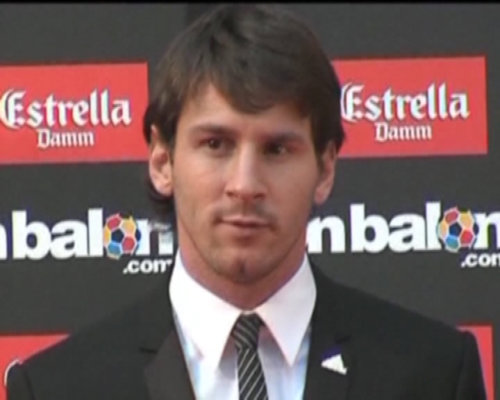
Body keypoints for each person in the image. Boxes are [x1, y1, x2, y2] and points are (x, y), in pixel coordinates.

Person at [7, 4, 486, 400]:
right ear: (162, 160)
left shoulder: (434, 374)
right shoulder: (57, 387)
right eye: (216, 144)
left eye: (277, 149)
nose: (245, 184)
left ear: (325, 169)